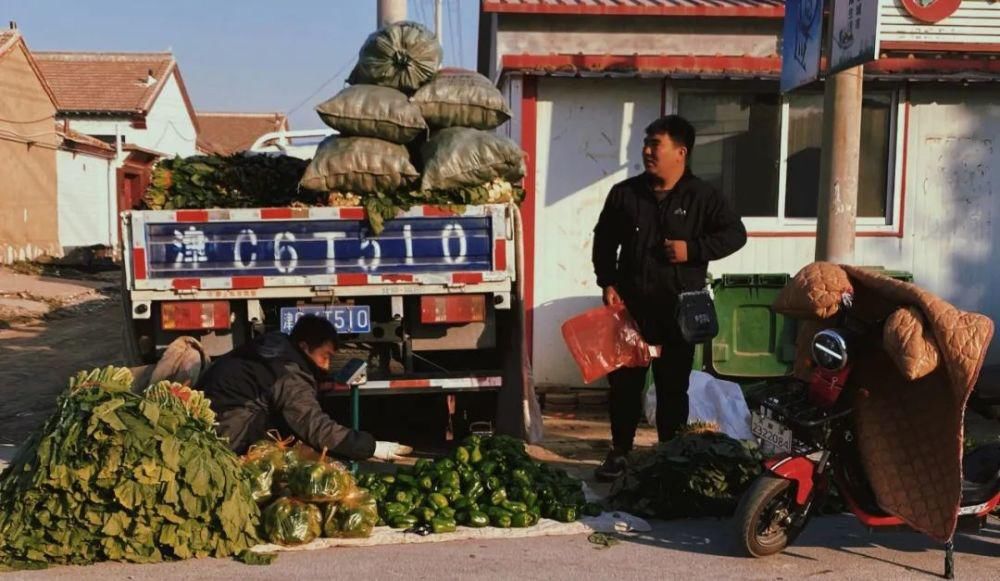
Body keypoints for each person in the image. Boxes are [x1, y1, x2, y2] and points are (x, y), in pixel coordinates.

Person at [591, 114, 747, 481]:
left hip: (679, 310)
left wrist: (691, 250)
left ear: (681, 152)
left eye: (654, 144)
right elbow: (603, 240)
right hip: (630, 309)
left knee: (673, 387)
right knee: (625, 386)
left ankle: (669, 453)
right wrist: (607, 281)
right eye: (645, 143)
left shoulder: (703, 197)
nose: (647, 151)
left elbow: (735, 234)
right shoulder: (625, 194)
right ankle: (620, 452)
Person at [197, 315, 411, 461]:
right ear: (304, 347)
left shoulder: (275, 346)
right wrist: (370, 447)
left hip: (212, 418)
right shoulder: (288, 372)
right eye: (325, 357)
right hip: (225, 435)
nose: (327, 366)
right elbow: (313, 424)